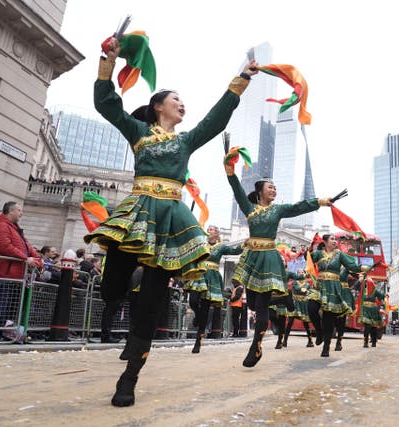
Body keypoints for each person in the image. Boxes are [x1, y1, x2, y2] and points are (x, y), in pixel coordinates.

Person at [84, 36, 258, 407]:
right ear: (158, 106)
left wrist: (241, 78)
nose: (182, 104)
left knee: (152, 300)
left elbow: (216, 118)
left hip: (171, 220)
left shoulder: (186, 141)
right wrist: (108, 62)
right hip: (136, 213)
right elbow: (106, 103)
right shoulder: (140, 133)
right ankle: (123, 295)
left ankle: (129, 376)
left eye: (183, 101)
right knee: (111, 288)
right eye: (176, 99)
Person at [224, 162, 332, 367]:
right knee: (254, 303)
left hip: (268, 258)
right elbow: (237, 189)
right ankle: (282, 299)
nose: (274, 190)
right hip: (252, 257)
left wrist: (320, 201)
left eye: (275, 187)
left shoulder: (277, 210)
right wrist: (230, 171)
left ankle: (256, 347)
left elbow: (297, 207)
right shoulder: (250, 209)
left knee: (262, 306)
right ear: (259, 191)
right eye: (270, 187)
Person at [0, 202, 41, 341]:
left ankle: (3, 334)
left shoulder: (16, 229)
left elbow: (27, 246)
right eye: (19, 210)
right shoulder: (2, 226)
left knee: (10, 308)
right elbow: (5, 247)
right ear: (10, 211)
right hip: (6, 274)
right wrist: (26, 258)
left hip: (17, 275)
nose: (21, 213)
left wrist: (38, 259)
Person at [184, 225, 242, 353]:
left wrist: (246, 244)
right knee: (193, 301)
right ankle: (197, 317)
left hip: (213, 276)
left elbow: (235, 251)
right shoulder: (200, 243)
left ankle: (198, 341)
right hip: (199, 274)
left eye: (211, 229)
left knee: (205, 308)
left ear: (216, 234)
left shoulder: (221, 247)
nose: (208, 231)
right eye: (208, 229)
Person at [312, 234, 368, 357]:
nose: (335, 241)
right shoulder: (319, 253)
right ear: (325, 242)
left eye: (335, 239)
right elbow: (310, 259)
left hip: (333, 288)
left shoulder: (340, 255)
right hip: (320, 285)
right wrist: (309, 249)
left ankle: (326, 347)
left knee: (328, 318)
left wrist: (365, 268)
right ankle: (319, 332)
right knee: (311, 307)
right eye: (332, 239)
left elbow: (352, 266)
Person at [357, 277, 385, 348]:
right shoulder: (363, 290)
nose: (366, 284)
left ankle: (374, 342)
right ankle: (366, 342)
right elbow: (357, 290)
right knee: (367, 326)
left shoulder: (375, 290)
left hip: (373, 310)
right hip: (365, 309)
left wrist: (382, 294)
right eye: (365, 282)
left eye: (367, 282)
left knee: (373, 327)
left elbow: (382, 296)